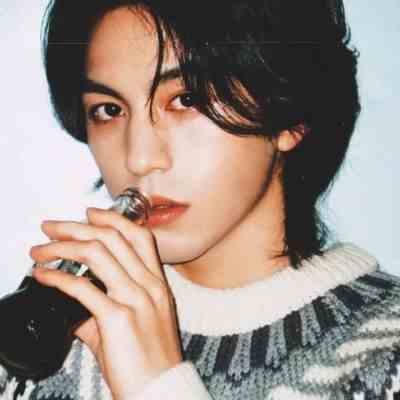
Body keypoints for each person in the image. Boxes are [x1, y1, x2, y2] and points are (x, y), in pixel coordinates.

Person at [1, 0, 400, 399]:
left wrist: (158, 388)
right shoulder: (50, 343)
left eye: (187, 100)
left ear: (290, 118)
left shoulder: (386, 357)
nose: (139, 158)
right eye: (109, 110)